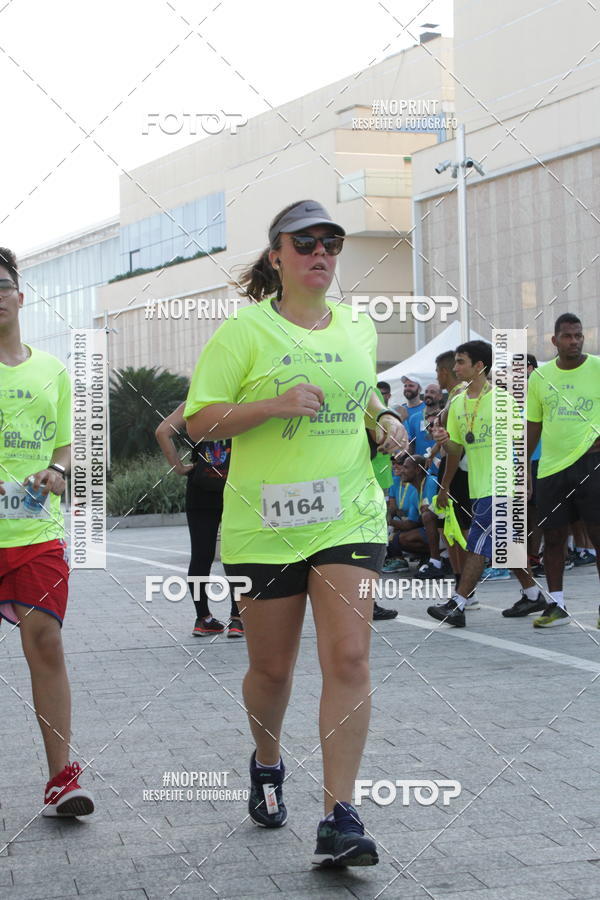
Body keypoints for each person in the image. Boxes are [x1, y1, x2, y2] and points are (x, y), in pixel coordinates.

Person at [183, 201, 408, 867]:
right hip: (267, 526)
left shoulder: (358, 328)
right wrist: (272, 406)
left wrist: (386, 419)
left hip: (348, 516)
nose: (320, 253)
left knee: (348, 659)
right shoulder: (244, 334)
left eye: (331, 243)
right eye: (304, 242)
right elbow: (198, 422)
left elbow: (361, 393)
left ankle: (340, 814)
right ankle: (268, 759)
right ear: (276, 256)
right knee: (271, 669)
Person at [0, 248, 94, 816]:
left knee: (46, 643)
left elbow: (65, 444)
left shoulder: (52, 370)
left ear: (20, 294)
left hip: (36, 533)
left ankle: (61, 777)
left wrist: (58, 470)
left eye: (1, 284)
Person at [427, 341, 544, 627]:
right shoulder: (457, 403)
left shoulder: (503, 401)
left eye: (461, 362)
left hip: (502, 484)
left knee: (478, 542)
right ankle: (532, 594)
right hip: (480, 486)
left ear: (479, 366)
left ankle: (458, 603)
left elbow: (521, 442)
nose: (455, 368)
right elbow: (457, 450)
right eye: (455, 362)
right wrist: (445, 443)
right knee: (502, 545)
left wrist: (524, 477)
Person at [526, 313, 600, 628]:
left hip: (591, 462)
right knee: (553, 537)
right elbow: (533, 425)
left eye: (578, 335)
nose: (574, 341)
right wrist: (524, 467)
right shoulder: (539, 378)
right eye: (568, 336)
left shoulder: (597, 367)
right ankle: (556, 605)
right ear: (554, 341)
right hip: (551, 468)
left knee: (598, 536)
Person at [155, 404, 243, 637]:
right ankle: (237, 619)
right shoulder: (242, 400)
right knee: (237, 553)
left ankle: (203, 618)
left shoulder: (195, 401)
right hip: (237, 486)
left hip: (200, 486)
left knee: (201, 555)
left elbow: (162, 431)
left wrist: (179, 467)